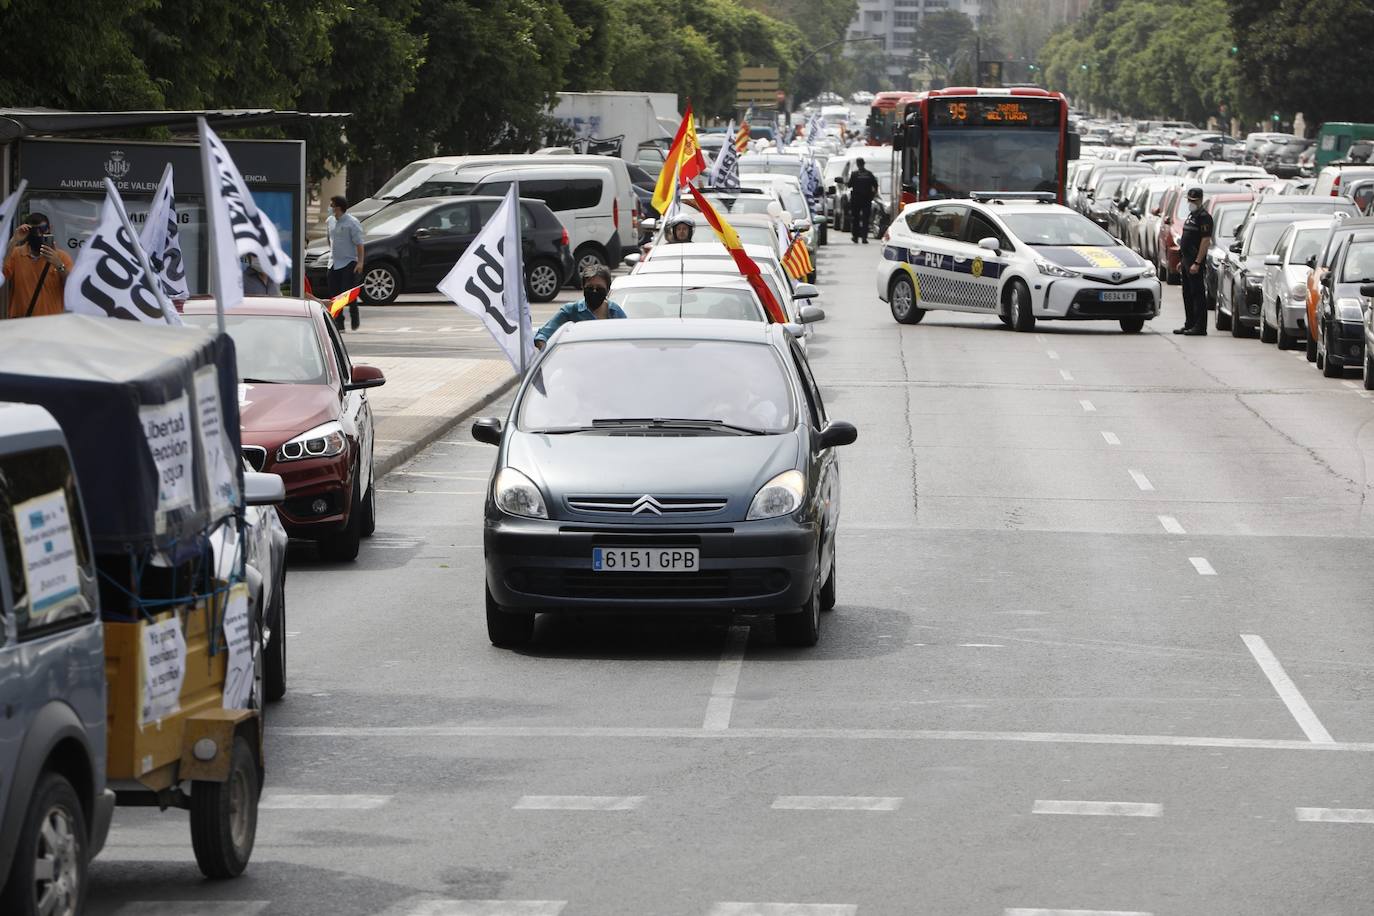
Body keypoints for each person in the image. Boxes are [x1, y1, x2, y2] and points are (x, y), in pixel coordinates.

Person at [533, 264, 625, 350]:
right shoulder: (570, 311)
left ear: (608, 290)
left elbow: (629, 339)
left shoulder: (615, 312)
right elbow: (542, 336)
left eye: (599, 288)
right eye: (590, 288)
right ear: (583, 287)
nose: (594, 291)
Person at [4, 212, 73, 319]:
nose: (39, 234)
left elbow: (71, 286)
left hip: (50, 323)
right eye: (34, 231)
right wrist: (14, 241)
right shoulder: (16, 254)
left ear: (49, 229)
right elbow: (2, 274)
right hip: (21, 321)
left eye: (42, 229)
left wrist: (59, 265)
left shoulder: (61, 257)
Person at [1176, 187, 1213, 336]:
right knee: (1187, 294)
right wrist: (1182, 260)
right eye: (1189, 200)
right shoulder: (1191, 216)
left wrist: (1197, 262)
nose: (1191, 203)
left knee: (1197, 295)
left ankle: (1199, 326)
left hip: (1194, 263)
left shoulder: (1204, 217)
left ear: (1200, 200)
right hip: (1186, 261)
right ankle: (1189, 323)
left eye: (1194, 201)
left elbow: (1205, 241)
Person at [325, 195, 365, 331]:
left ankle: (354, 316)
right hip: (333, 262)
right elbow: (329, 238)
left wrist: (360, 262)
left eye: (332, 205)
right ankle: (339, 323)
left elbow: (359, 243)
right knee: (334, 293)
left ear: (338, 208)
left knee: (347, 293)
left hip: (348, 262)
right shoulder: (329, 221)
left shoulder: (352, 223)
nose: (330, 208)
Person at [847, 158, 879, 244]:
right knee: (865, 219)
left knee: (855, 219)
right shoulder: (869, 174)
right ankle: (864, 238)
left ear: (857, 164)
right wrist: (872, 195)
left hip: (856, 200)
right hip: (866, 200)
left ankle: (855, 237)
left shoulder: (854, 174)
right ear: (864, 164)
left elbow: (849, 185)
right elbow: (875, 185)